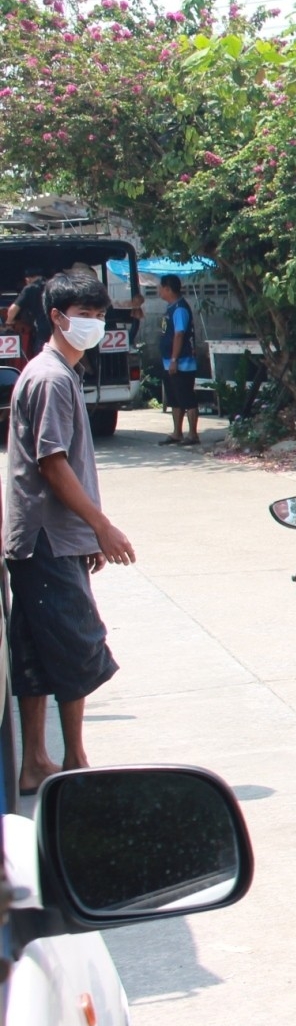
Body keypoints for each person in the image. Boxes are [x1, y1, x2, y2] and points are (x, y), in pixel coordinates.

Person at [5, 270, 137, 793]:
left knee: (37, 650)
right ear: (57, 317)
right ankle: (74, 759)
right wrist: (100, 527)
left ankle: (37, 761)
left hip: (47, 536)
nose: (94, 324)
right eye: (85, 315)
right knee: (76, 648)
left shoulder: (55, 372)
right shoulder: (52, 378)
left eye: (100, 315)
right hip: (46, 538)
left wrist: (84, 533)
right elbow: (53, 464)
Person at [157, 273, 201, 446]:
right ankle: (177, 433)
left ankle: (193, 434)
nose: (159, 291)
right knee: (174, 399)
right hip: (169, 362)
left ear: (168, 289)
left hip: (182, 363)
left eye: (161, 288)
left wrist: (174, 359)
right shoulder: (171, 307)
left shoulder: (180, 309)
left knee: (187, 398)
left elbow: (179, 334)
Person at [6, 269, 50, 355]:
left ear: (27, 279)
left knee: (41, 356)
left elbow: (13, 309)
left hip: (42, 330)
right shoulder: (53, 286)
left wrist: (9, 322)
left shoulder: (30, 288)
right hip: (60, 329)